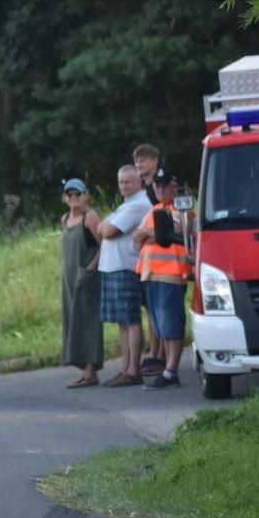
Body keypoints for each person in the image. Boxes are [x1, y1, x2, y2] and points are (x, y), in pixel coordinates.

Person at [132, 168, 193, 390]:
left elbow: (176, 231)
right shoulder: (155, 209)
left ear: (173, 187)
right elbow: (136, 235)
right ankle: (168, 369)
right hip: (151, 273)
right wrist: (154, 232)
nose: (160, 189)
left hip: (172, 273)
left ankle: (171, 371)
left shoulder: (182, 209)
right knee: (161, 325)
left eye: (164, 185)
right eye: (157, 185)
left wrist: (151, 233)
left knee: (171, 324)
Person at [95, 165, 153, 387]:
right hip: (113, 266)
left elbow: (108, 231)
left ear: (139, 182)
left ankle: (133, 370)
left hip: (126, 266)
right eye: (121, 182)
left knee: (130, 319)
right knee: (122, 322)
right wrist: (104, 226)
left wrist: (105, 226)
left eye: (128, 181)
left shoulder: (139, 204)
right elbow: (102, 228)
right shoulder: (125, 205)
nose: (124, 186)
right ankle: (126, 368)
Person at [58, 178, 102, 388]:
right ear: (65, 198)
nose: (74, 198)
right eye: (70, 194)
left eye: (78, 194)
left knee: (89, 322)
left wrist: (90, 269)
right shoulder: (65, 219)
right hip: (69, 277)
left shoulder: (90, 217)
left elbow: (104, 245)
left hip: (87, 277)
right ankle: (84, 367)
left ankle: (91, 371)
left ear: (86, 195)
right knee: (73, 320)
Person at [131, 142, 165, 376]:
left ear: (154, 161)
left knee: (158, 309)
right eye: (136, 161)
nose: (139, 164)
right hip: (145, 256)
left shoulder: (158, 187)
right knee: (150, 308)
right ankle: (155, 353)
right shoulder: (140, 187)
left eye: (143, 160)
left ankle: (158, 354)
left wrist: (148, 233)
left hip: (161, 257)